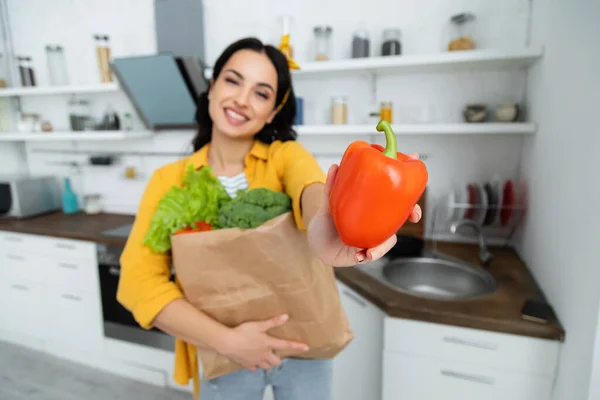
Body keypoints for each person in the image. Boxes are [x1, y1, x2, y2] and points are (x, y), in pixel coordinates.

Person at [117, 37, 422, 400]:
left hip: (304, 343)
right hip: (222, 354)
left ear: (274, 110)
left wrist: (328, 221)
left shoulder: (285, 158)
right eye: (232, 81)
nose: (242, 100)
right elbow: (137, 283)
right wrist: (229, 341)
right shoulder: (168, 181)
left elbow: (309, 187)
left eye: (261, 93)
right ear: (212, 87)